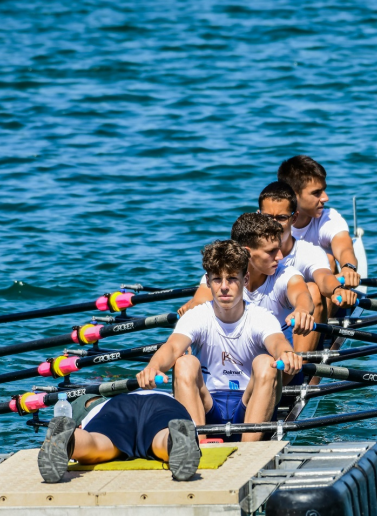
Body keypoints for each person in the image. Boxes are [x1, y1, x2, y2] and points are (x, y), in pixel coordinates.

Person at [138, 239, 303, 442]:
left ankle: (248, 453)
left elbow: (277, 342)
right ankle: (196, 447)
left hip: (249, 404)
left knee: (266, 363)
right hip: (208, 406)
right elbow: (172, 347)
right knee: (184, 362)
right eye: (217, 279)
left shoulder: (261, 316)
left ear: (245, 279)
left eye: (232, 279)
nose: (224, 287)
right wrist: (153, 367)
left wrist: (286, 354)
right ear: (208, 281)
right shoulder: (197, 316)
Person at [179, 212, 316, 347]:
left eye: (279, 249)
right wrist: (191, 309)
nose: (280, 257)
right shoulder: (221, 277)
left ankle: (301, 364)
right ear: (247, 252)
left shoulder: (285, 273)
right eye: (271, 251)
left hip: (279, 359)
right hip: (236, 359)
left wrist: (302, 310)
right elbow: (200, 302)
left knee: (313, 289)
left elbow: (301, 293)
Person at [256, 180, 357, 353]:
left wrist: (337, 291)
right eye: (267, 218)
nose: (272, 224)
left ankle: (302, 369)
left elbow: (324, 277)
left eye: (281, 218)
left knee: (313, 290)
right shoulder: (245, 251)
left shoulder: (310, 252)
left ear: (293, 218)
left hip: (296, 327)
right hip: (259, 331)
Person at [38, 390, 201, 483]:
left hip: (116, 410)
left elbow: (93, 439)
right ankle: (173, 439)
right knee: (161, 437)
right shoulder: (102, 403)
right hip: (164, 402)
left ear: (79, 425)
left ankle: (71, 440)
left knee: (95, 444)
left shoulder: (95, 414)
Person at [277, 155, 361, 290]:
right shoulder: (271, 223)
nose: (325, 198)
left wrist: (348, 267)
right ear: (293, 195)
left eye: (324, 190)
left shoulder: (328, 218)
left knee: (328, 260)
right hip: (287, 292)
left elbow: (344, 247)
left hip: (325, 293)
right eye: (317, 193)